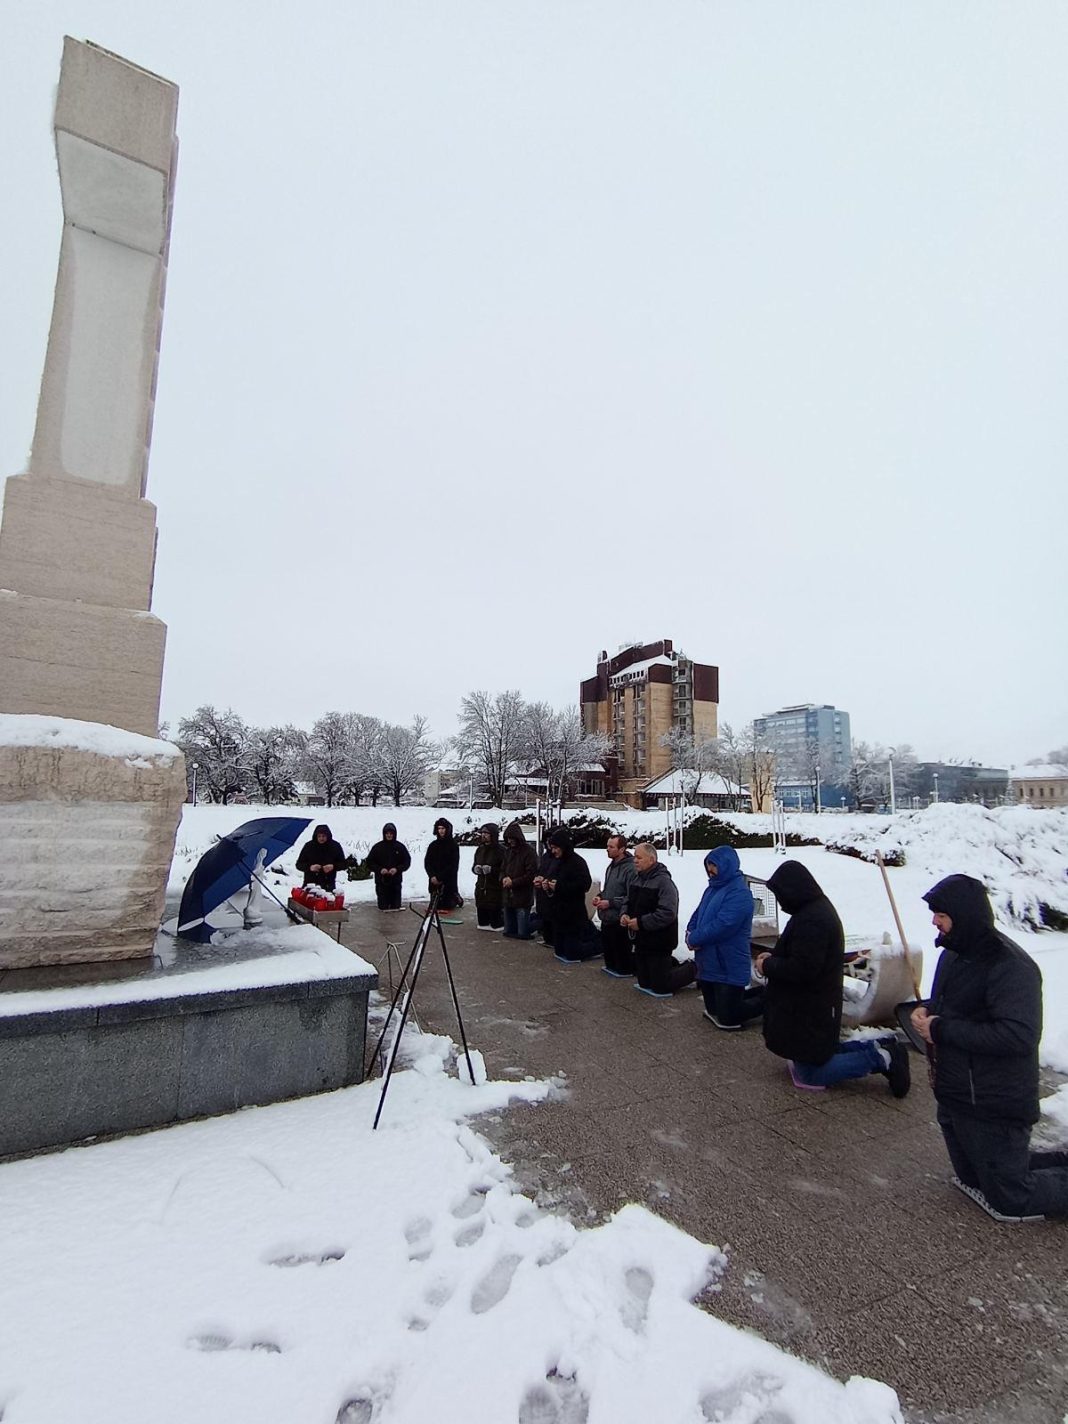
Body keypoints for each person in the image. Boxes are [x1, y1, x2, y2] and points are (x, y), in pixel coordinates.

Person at [911, 874, 1068, 1220]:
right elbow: (950, 1003)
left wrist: (942, 1029)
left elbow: (1018, 1035)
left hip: (994, 1099)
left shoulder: (1011, 966)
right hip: (955, 1092)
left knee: (1011, 1199)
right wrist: (927, 1009)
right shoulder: (952, 953)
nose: (934, 921)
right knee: (973, 1177)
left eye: (941, 914)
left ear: (964, 915)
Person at [756, 861, 909, 1096]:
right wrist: (775, 956)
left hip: (811, 1007)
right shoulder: (812, 910)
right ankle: (879, 1047)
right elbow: (800, 954)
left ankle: (881, 1058)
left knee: (811, 1072)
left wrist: (768, 964)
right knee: (817, 1053)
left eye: (780, 894)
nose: (780, 900)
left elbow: (802, 969)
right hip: (814, 1005)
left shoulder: (813, 919)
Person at [686, 846, 762, 1029]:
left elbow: (724, 925)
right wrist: (690, 932)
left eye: (714, 865)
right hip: (709, 959)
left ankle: (771, 998)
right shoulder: (712, 889)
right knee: (714, 1009)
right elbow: (699, 914)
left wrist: (695, 938)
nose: (710, 870)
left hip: (728, 960)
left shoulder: (739, 893)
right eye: (708, 865)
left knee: (729, 1016)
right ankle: (747, 998)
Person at [621, 843, 694, 997]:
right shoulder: (636, 879)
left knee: (661, 986)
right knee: (644, 982)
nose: (635, 860)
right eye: (634, 856)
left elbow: (668, 913)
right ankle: (671, 966)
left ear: (652, 859)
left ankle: (694, 969)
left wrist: (640, 923)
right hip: (641, 940)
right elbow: (627, 900)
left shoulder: (665, 883)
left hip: (660, 941)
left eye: (639, 857)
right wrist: (624, 914)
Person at [545, 828, 601, 963]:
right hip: (558, 912)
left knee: (572, 953)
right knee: (560, 951)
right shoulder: (556, 861)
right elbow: (552, 879)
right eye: (552, 848)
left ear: (563, 846)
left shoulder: (578, 862)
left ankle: (600, 946)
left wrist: (558, 886)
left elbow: (584, 885)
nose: (553, 851)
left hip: (573, 912)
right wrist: (547, 885)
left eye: (555, 848)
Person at [594, 835, 637, 977]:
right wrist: (600, 897)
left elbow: (631, 896)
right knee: (610, 962)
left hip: (619, 920)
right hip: (606, 918)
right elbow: (608, 889)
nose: (607, 849)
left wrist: (610, 902)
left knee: (622, 964)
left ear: (622, 849)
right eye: (607, 846)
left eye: (611, 847)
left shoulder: (630, 869)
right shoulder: (610, 867)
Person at [501, 821, 538, 940]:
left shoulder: (529, 852)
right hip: (508, 895)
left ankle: (539, 922)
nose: (510, 841)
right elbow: (502, 869)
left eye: (512, 838)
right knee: (509, 930)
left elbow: (530, 874)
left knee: (523, 932)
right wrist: (503, 879)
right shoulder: (508, 851)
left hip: (522, 895)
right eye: (508, 839)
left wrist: (514, 882)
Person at [365, 822, 411, 911]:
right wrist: (380, 869)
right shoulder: (377, 847)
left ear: (394, 834)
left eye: (391, 833)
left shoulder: (400, 847)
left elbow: (407, 862)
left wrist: (397, 869)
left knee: (395, 908)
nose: (389, 835)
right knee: (383, 908)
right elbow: (369, 862)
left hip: (396, 883)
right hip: (381, 883)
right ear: (384, 834)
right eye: (387, 833)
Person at [424, 817, 462, 924]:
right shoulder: (433, 845)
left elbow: (453, 866)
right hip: (434, 880)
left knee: (447, 906)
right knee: (435, 906)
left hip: (447, 880)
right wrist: (432, 876)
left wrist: (441, 878)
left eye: (443, 828)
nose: (441, 831)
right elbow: (427, 862)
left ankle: (456, 898)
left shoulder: (453, 845)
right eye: (439, 828)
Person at [472, 823, 505, 931]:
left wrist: (492, 870)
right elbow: (474, 865)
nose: (483, 835)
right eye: (482, 833)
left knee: (496, 924)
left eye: (486, 833)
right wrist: (475, 869)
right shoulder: (479, 850)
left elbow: (505, 869)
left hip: (495, 889)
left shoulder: (501, 850)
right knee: (482, 923)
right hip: (481, 888)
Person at [296, 824, 346, 891]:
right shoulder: (309, 846)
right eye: (319, 836)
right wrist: (310, 867)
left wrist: (333, 866)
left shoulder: (335, 846)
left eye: (323, 836)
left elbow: (344, 864)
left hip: (328, 885)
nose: (321, 838)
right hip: (310, 884)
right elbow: (299, 864)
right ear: (315, 836)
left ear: (328, 836)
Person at [532, 833, 559, 948]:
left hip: (553, 893)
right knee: (544, 915)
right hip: (542, 892)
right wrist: (537, 878)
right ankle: (547, 937)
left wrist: (550, 882)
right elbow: (540, 870)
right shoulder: (545, 856)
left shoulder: (560, 858)